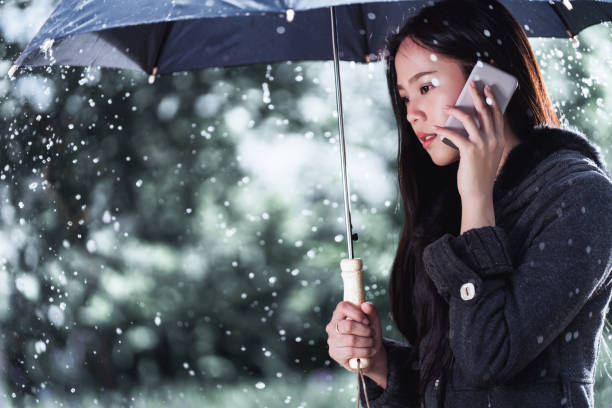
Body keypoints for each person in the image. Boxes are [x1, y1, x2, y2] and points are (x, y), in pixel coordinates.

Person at [325, 0, 612, 407]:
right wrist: (377, 362)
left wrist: (476, 200)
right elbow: (451, 379)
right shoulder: (448, 202)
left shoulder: (581, 197)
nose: (411, 114)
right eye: (405, 97)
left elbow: (489, 358)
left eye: (425, 87)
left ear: (489, 79)